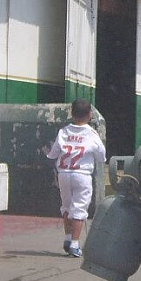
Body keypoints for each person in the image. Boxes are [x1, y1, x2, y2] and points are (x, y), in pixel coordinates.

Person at [46, 98, 106, 258]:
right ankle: (74, 244)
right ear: (90, 114)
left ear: (72, 113)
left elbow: (53, 153)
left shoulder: (64, 131)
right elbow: (101, 156)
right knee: (79, 208)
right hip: (82, 175)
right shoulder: (92, 134)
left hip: (64, 174)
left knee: (66, 206)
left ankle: (67, 238)